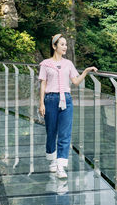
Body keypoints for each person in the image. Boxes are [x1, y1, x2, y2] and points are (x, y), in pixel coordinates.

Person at [39, 33, 97, 178]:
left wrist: (85, 71)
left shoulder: (68, 64)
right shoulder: (45, 64)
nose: (65, 47)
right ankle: (52, 160)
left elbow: (75, 82)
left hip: (67, 100)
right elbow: (43, 84)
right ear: (54, 46)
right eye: (62, 44)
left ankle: (61, 166)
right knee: (51, 132)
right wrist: (41, 103)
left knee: (65, 134)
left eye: (66, 44)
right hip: (50, 99)